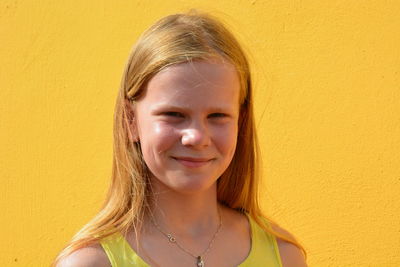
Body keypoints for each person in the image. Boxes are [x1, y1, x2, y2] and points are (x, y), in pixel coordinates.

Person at [54, 10, 307, 267]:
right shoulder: (91, 262)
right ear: (130, 121)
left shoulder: (284, 257)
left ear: (240, 122)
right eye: (174, 114)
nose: (196, 137)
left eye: (217, 115)